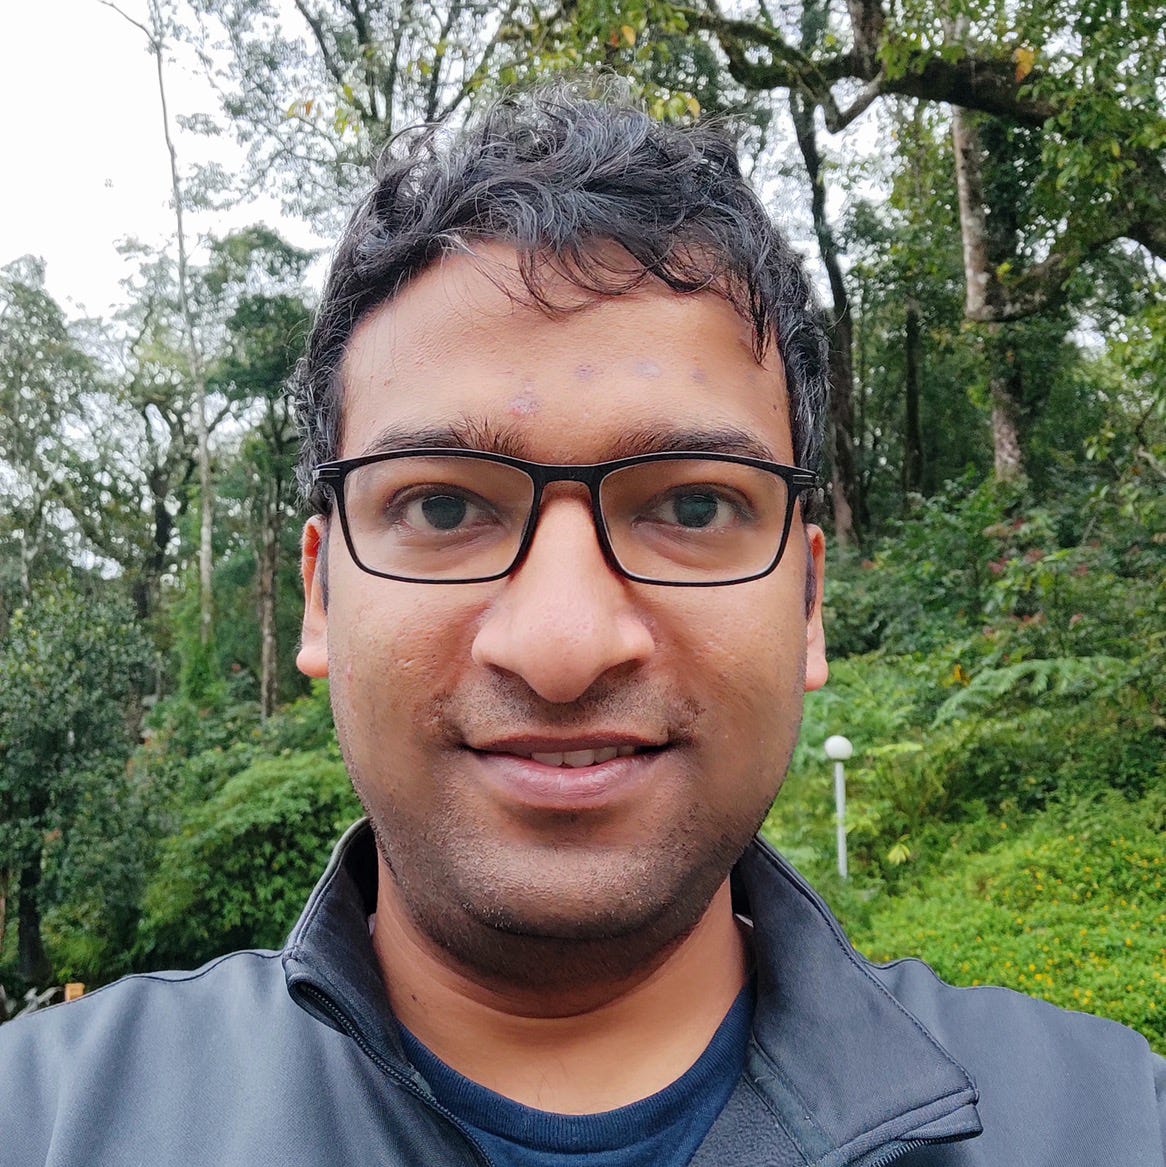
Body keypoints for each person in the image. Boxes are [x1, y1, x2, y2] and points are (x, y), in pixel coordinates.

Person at [2, 83, 1163, 1167]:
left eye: (693, 506)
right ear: (321, 595)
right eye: (441, 506)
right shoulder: (45, 1122)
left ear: (808, 604)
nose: (561, 647)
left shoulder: (1107, 1122)